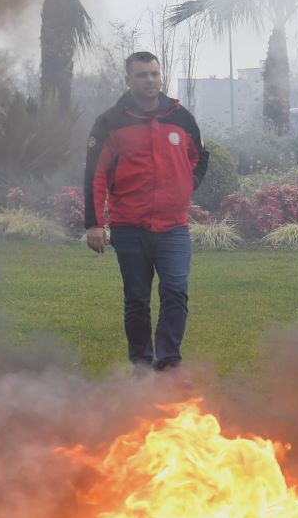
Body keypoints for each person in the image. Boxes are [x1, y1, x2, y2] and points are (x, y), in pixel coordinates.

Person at [83, 51, 211, 372]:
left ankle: (168, 360)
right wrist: (95, 224)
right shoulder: (110, 122)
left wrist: (185, 185)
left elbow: (199, 156)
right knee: (137, 300)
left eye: (154, 74)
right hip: (129, 228)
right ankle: (141, 361)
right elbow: (95, 175)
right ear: (128, 79)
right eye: (142, 75)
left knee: (176, 291)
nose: (150, 80)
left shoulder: (181, 118)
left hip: (173, 228)